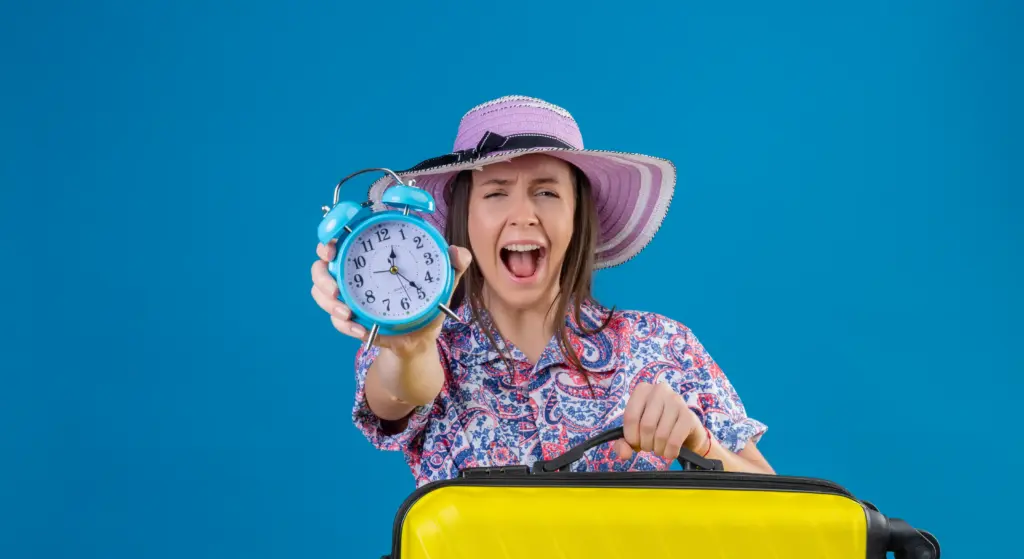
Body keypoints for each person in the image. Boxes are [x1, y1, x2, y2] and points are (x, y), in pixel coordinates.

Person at [310, 95, 774, 486]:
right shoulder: (424, 345)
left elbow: (783, 510)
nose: (523, 214)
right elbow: (401, 389)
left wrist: (700, 444)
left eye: (546, 192)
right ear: (464, 220)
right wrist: (410, 348)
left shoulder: (663, 346)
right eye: (496, 192)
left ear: (578, 216)